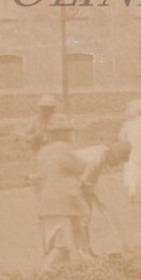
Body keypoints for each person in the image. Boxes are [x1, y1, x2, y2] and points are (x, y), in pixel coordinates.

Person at [31, 115, 98, 269]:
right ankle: (43, 274)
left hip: (47, 204)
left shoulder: (43, 152)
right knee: (62, 246)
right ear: (62, 133)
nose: (69, 134)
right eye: (67, 131)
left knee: (64, 245)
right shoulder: (63, 149)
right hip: (63, 204)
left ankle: (70, 273)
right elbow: (79, 167)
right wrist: (85, 179)